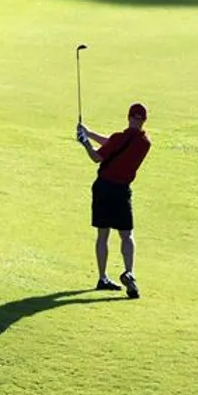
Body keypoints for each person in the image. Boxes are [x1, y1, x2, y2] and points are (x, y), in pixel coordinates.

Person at [75, 103, 151, 299]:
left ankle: (102, 278)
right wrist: (89, 132)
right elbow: (112, 143)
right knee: (127, 235)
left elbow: (97, 157)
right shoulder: (145, 143)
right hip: (122, 191)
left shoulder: (118, 138)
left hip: (104, 188)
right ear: (144, 121)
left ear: (128, 117)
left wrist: (85, 141)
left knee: (103, 235)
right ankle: (129, 272)